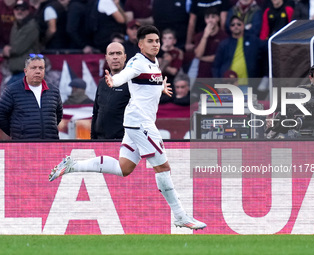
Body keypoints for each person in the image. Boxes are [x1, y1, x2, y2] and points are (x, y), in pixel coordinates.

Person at [49, 25, 207, 230]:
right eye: (150, 41)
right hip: (141, 123)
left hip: (134, 123)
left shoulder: (153, 62)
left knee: (124, 168)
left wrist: (160, 87)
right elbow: (126, 75)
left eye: (157, 41)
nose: (155, 44)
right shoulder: (136, 62)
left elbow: (143, 85)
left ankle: (73, 165)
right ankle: (180, 216)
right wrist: (113, 81)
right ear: (140, 44)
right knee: (163, 168)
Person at [0, 54, 63, 140]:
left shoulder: (54, 91)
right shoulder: (11, 91)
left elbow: (58, 116)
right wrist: (16, 133)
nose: (38, 71)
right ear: (25, 71)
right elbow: (1, 116)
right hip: (23, 146)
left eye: (41, 68)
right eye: (33, 68)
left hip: (50, 144)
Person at [212, 16, 267, 88]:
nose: (236, 26)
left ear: (243, 25)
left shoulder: (254, 41)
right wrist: (219, 84)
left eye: (239, 24)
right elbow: (216, 66)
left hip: (248, 84)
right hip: (228, 85)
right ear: (230, 27)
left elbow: (267, 48)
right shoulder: (224, 44)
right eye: (233, 25)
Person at [91, 42, 130, 139]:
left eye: (119, 53)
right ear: (106, 58)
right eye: (111, 54)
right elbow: (96, 113)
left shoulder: (132, 82)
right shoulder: (102, 83)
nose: (115, 57)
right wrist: (92, 139)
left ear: (125, 57)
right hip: (100, 140)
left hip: (123, 142)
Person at [2, 0, 40, 86]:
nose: (19, 12)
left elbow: (17, 49)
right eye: (17, 9)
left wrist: (7, 50)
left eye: (22, 9)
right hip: (17, 72)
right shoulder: (16, 25)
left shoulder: (31, 26)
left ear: (27, 11)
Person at [193, 7, 227, 78]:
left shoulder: (224, 36)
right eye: (207, 17)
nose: (210, 20)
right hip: (203, 74)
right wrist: (205, 36)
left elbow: (219, 57)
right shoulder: (199, 36)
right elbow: (198, 54)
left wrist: (202, 58)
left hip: (219, 75)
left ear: (218, 18)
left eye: (213, 17)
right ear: (205, 20)